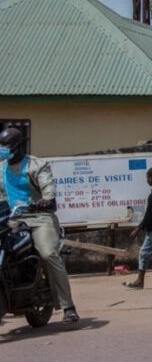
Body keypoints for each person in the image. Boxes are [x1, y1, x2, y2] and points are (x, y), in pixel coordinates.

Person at [0, 128, 79, 323]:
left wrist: (45, 200)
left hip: (38, 217)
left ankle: (68, 306)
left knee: (48, 254)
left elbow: (48, 190)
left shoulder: (37, 165)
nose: (3, 151)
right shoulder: (0, 168)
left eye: (6, 147)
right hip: (11, 219)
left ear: (19, 146)